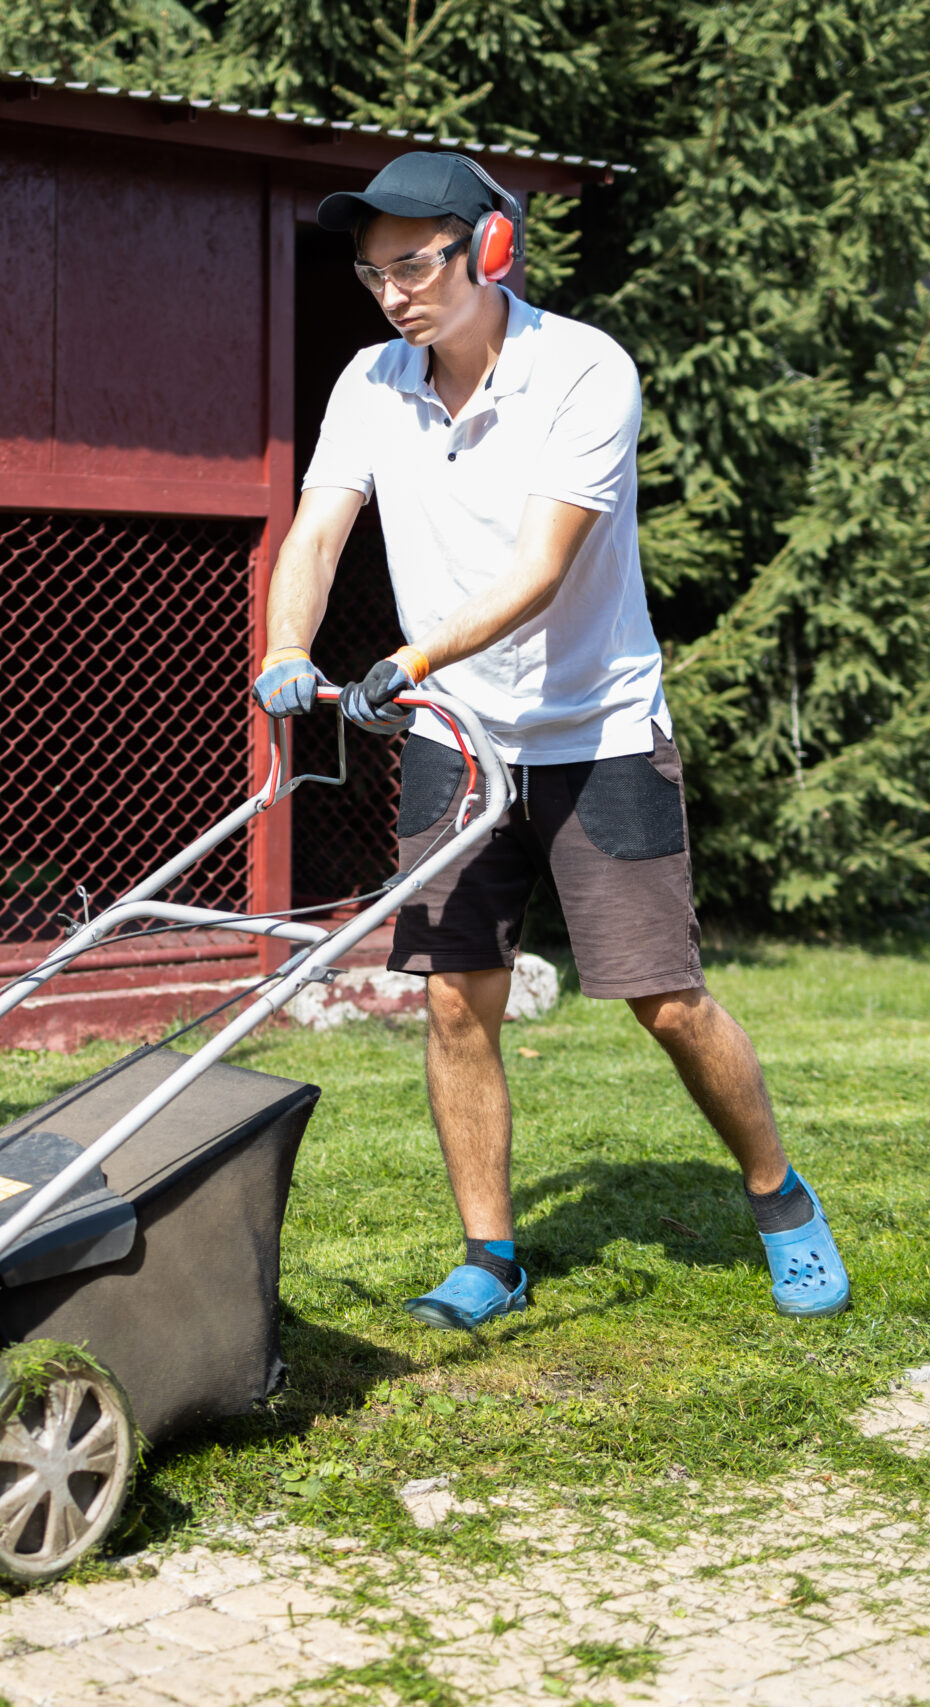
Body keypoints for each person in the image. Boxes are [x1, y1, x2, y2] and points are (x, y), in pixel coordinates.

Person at [254, 151, 850, 1330]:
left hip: (600, 732)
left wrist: (411, 657)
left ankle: (781, 1199)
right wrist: (284, 649)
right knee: (454, 1000)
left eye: (414, 263)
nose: (392, 293)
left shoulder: (582, 369)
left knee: (663, 997)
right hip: (457, 736)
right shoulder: (370, 383)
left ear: (490, 248)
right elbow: (317, 535)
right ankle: (490, 1253)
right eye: (373, 272)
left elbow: (542, 566)